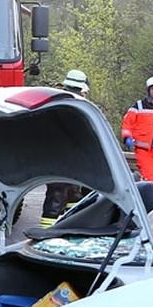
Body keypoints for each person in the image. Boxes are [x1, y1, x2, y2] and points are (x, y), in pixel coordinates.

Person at [40, 69, 92, 227]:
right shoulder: (79, 106)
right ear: (82, 88)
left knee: (71, 195)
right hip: (67, 161)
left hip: (58, 159)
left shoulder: (54, 103)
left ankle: (66, 226)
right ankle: (48, 232)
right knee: (57, 196)